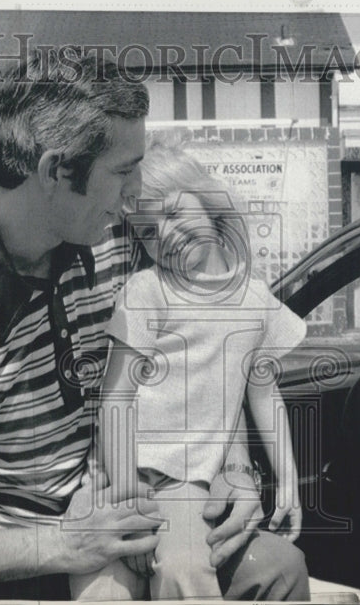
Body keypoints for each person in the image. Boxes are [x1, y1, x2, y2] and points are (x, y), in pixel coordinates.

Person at [0, 47, 308, 600]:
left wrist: (235, 468)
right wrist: (55, 544)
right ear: (56, 171)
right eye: (124, 172)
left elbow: (210, 352)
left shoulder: (112, 237)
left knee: (277, 566)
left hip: (105, 510)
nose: (137, 197)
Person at [70, 142, 308, 601]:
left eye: (175, 215)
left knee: (187, 570)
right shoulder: (147, 292)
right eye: (150, 232)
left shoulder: (255, 301)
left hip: (188, 482)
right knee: (146, 581)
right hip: (131, 472)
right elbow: (116, 397)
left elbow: (261, 392)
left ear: (209, 201)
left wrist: (289, 480)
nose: (168, 235)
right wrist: (126, 497)